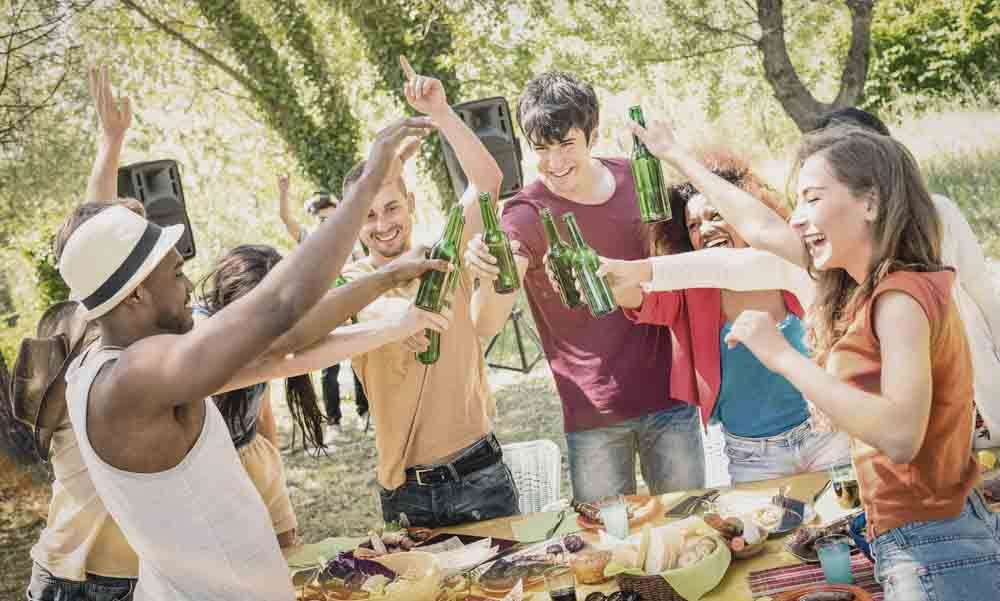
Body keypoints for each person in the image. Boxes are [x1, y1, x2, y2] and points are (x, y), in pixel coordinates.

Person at [55, 112, 433, 600]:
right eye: (175, 274)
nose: (188, 287)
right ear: (135, 295)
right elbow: (279, 306)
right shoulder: (131, 377)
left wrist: (387, 277)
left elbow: (282, 338)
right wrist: (370, 179)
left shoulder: (130, 354)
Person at [626, 115, 997, 600]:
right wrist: (675, 155)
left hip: (933, 546)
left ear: (870, 203)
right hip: (925, 532)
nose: (796, 217)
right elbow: (758, 229)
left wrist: (782, 356)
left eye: (812, 199)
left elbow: (900, 436)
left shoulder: (899, 300)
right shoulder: (868, 282)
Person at [464, 71, 704, 502]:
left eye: (565, 144)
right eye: (541, 148)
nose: (554, 162)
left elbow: (678, 269)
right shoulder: (525, 213)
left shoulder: (637, 179)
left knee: (690, 520)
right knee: (606, 536)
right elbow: (486, 323)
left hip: (671, 397)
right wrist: (487, 270)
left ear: (592, 135)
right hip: (595, 416)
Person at [338, 56, 519, 528]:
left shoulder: (446, 255)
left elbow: (488, 182)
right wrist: (393, 324)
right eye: (368, 215)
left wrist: (440, 112)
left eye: (391, 207)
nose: (382, 224)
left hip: (479, 475)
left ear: (411, 204)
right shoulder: (349, 286)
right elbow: (362, 312)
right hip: (406, 493)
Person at [599, 147, 848, 483]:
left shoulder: (789, 266)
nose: (705, 229)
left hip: (825, 434)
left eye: (715, 216)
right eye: (693, 225)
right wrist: (605, 279)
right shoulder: (689, 289)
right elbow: (640, 298)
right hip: (752, 456)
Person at [193, 243, 452, 550]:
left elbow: (265, 405)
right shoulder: (199, 340)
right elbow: (285, 359)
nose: (276, 336)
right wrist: (394, 303)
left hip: (253, 456)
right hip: (208, 472)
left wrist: (275, 479)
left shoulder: (263, 342)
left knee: (287, 552)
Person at [817, 108, 1000, 448]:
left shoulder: (937, 213)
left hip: (969, 390)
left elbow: (983, 293)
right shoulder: (825, 238)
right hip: (894, 406)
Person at [278, 179, 371, 440]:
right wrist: (283, 193)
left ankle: (365, 412)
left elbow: (363, 266)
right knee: (329, 367)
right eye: (322, 219)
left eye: (332, 217)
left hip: (351, 302)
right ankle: (334, 423)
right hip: (323, 306)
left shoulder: (349, 237)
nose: (327, 223)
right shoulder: (309, 238)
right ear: (314, 219)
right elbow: (286, 219)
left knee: (359, 356)